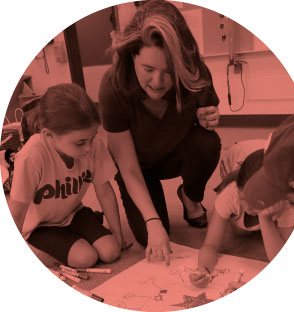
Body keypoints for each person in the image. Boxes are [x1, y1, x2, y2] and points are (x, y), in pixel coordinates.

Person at [98, 0, 221, 265]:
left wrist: (210, 116)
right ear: (132, 56)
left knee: (208, 142)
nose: (157, 82)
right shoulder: (112, 86)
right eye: (148, 69)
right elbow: (128, 168)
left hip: (175, 153)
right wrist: (153, 223)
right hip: (137, 168)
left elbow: (208, 115)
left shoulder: (194, 70)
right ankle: (155, 216)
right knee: (152, 236)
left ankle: (190, 199)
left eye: (168, 72)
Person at [8, 83, 126, 268]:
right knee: (85, 258)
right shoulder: (31, 156)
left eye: (92, 137)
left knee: (111, 251)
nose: (88, 148)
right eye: (80, 142)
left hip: (73, 212)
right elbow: (16, 214)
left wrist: (118, 233)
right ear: (49, 136)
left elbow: (104, 191)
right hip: (41, 225)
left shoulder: (93, 145)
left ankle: (88, 221)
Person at [190, 137, 294, 288]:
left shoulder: (288, 203)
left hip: (271, 159)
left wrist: (265, 219)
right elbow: (211, 244)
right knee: (239, 230)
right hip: (237, 155)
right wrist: (203, 270)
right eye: (244, 198)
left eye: (257, 202)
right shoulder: (230, 192)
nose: (250, 209)